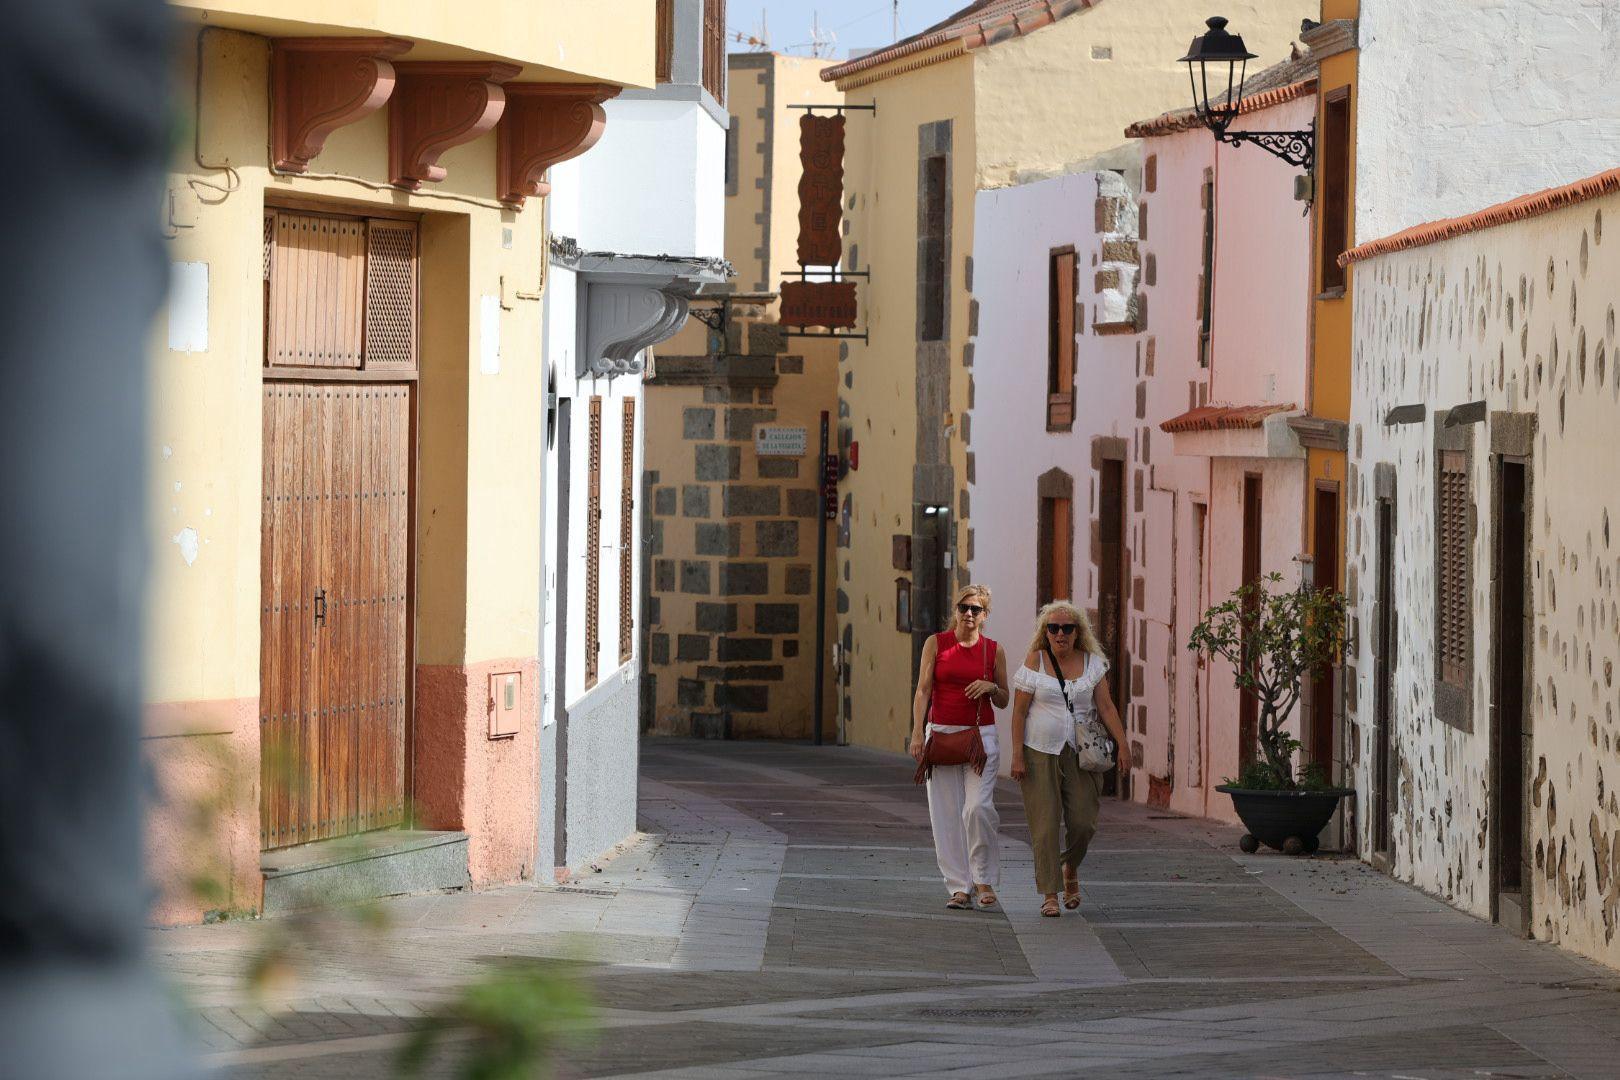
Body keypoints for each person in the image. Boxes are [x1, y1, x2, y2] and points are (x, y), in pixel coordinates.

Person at [1008, 601, 1131, 917]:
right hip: (1039, 751)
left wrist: (1124, 745)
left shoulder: (1093, 664)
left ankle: (1070, 867)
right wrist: (1017, 754)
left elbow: (1105, 708)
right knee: (1045, 826)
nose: (1060, 634)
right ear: (1045, 633)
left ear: (1078, 632)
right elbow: (1019, 711)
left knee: (1083, 822)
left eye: (1067, 628)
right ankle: (1050, 894)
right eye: (1053, 628)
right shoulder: (1035, 661)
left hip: (1081, 754)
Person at [909, 584, 1010, 910]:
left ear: (985, 615)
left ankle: (983, 879)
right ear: (955, 610)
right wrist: (915, 733)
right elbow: (923, 690)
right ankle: (959, 887)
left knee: (977, 808)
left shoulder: (993, 650)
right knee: (945, 815)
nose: (969, 614)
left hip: (981, 739)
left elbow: (1005, 698)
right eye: (963, 607)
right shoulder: (936, 644)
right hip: (940, 735)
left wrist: (992, 686)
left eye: (976, 609)